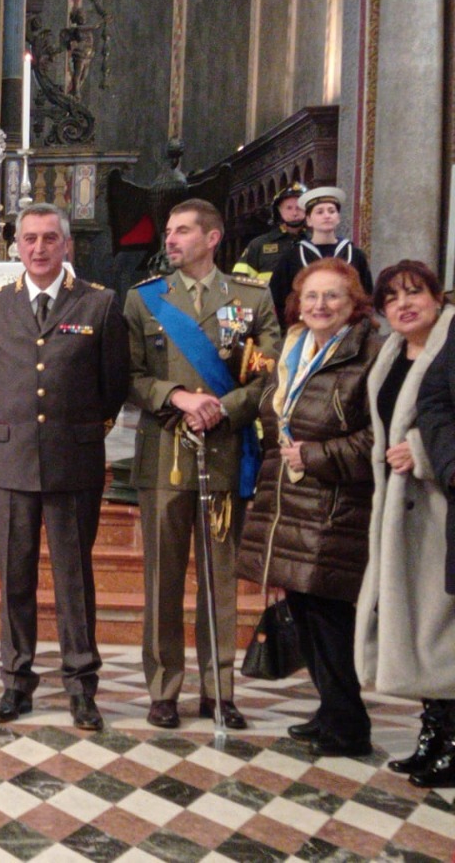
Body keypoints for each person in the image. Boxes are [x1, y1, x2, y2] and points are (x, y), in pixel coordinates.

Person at [0, 204, 129, 729]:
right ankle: (16, 681)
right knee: (15, 577)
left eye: (49, 239)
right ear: (16, 245)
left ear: (67, 246)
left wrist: (73, 427)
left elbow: (113, 386)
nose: (39, 248)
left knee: (73, 579)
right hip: (11, 460)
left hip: (73, 459)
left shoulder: (100, 304)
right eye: (29, 239)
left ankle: (82, 685)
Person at [124, 198, 279, 730]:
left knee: (220, 581)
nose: (170, 239)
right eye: (168, 231)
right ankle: (164, 689)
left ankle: (220, 689)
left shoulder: (250, 299)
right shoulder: (144, 301)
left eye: (182, 231)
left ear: (212, 239)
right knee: (162, 581)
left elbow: (269, 372)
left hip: (226, 452)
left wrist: (224, 409)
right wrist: (179, 398)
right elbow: (130, 375)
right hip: (165, 455)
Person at [237, 259, 380, 756]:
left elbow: (381, 436)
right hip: (291, 499)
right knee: (305, 607)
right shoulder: (297, 347)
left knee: (328, 615)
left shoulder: (372, 352)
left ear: (354, 303)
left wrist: (318, 456)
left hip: (337, 502)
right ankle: (332, 712)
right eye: (312, 296)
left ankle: (350, 724)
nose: (321, 306)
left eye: (333, 297)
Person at [372, 261, 455, 788]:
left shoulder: (449, 343)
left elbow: (438, 419)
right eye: (392, 299)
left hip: (441, 503)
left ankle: (451, 741)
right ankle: (432, 733)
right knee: (422, 626)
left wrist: (422, 452)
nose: (404, 304)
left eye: (415, 293)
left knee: (442, 627)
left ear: (436, 297)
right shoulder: (391, 353)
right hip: (401, 505)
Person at [268, 186, 373, 323]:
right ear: (309, 220)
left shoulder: (354, 255)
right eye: (319, 212)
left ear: (338, 218)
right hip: (305, 329)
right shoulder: (293, 257)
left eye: (331, 211)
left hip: (347, 329)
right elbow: (278, 298)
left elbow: (366, 295)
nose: (327, 215)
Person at [232, 182, 307, 282]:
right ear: (278, 211)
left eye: (299, 208)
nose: (294, 213)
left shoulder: (316, 242)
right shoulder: (259, 244)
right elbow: (239, 281)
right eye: (289, 208)